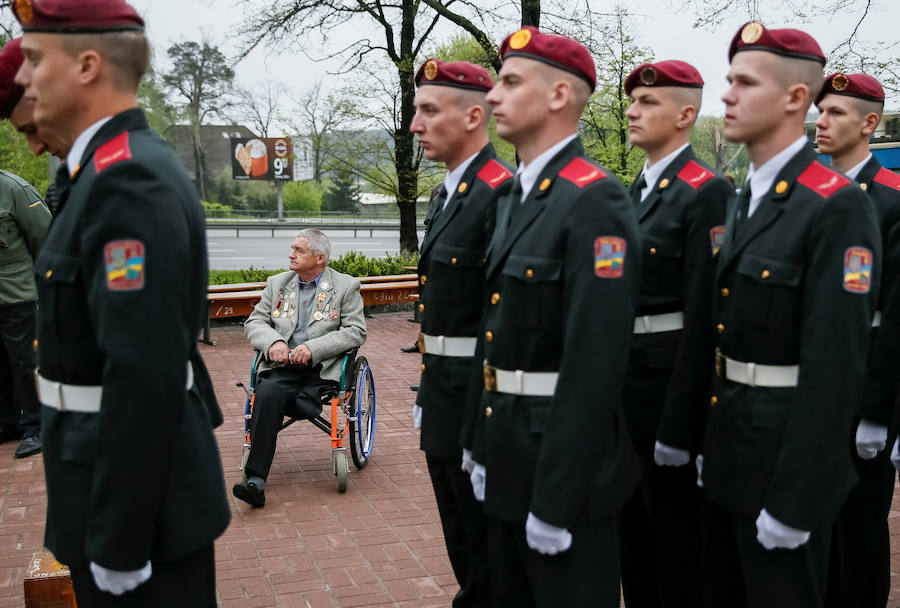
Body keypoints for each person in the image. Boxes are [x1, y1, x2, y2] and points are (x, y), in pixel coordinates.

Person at [14, 0, 231, 604]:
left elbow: (144, 372)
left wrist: (121, 540)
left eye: (33, 59)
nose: (23, 78)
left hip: (138, 512)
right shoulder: (101, 170)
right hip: (99, 477)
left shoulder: (127, 180)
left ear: (87, 66)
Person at [698, 22, 880, 607]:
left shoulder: (836, 207)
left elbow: (836, 367)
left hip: (783, 464)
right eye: (729, 80)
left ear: (796, 98)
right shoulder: (744, 198)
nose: (727, 95)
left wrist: (798, 499)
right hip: (730, 451)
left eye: (745, 83)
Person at [468, 26, 641, 607]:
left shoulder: (595, 199)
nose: (494, 96)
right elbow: (493, 333)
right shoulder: (513, 197)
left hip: (563, 467)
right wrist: (479, 445)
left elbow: (596, 364)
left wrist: (558, 498)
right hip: (507, 448)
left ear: (560, 95)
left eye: (511, 82)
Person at [619, 60, 730, 608]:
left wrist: (683, 423)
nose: (632, 111)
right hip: (624, 391)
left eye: (648, 102)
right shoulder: (630, 193)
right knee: (632, 547)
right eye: (632, 101)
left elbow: (708, 315)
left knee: (680, 552)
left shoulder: (706, 192)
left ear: (686, 115)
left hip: (669, 393)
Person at [410, 57, 514, 607]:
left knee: (488, 552)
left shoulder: (500, 192)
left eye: (429, 110)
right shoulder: (448, 194)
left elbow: (505, 318)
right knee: (461, 536)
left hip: (478, 397)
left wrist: (483, 412)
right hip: (442, 389)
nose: (415, 125)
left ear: (474, 116)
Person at [815, 73, 900, 608]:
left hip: (861, 390)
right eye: (820, 112)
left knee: (860, 532)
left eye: (836, 113)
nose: (821, 123)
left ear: (870, 123)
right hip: (806, 390)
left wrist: (879, 412)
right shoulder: (806, 196)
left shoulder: (891, 199)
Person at [235, 229, 366, 508]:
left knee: (296, 401)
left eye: (299, 250)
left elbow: (355, 331)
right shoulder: (278, 284)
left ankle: (301, 404)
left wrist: (312, 348)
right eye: (292, 248)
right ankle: (256, 481)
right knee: (267, 394)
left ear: (320, 258)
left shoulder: (345, 286)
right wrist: (273, 342)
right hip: (282, 366)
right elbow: (254, 323)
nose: (291, 254)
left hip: (323, 368)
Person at [0, 36, 72, 459]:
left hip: (18, 298)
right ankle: (9, 421)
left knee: (27, 364)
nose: (35, 146)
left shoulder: (13, 190)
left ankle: (36, 425)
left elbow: (46, 241)